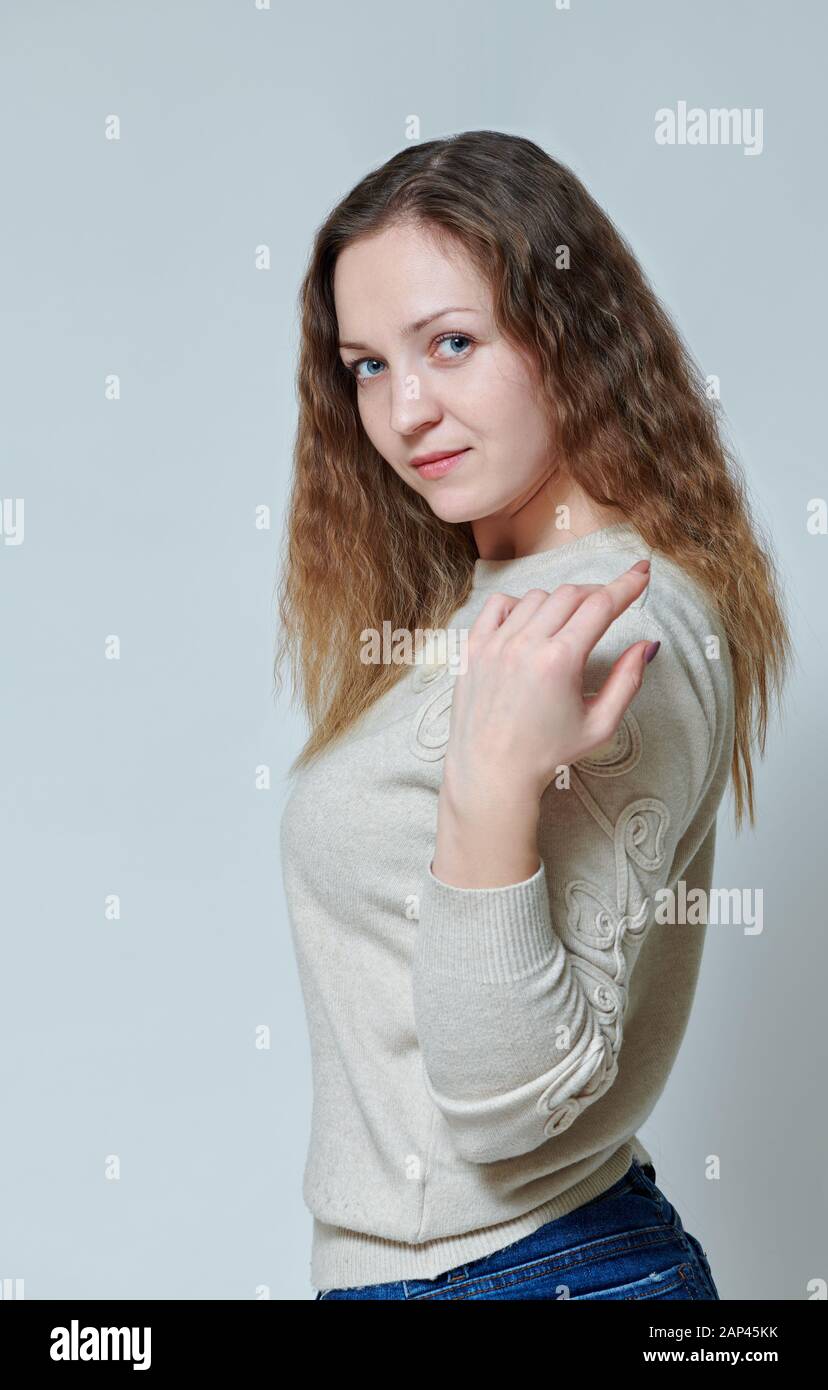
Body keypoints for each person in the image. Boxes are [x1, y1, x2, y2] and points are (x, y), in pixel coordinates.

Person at [274, 130, 790, 1301]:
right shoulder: (488, 602)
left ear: (571, 337)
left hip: (525, 1273)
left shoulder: (612, 619)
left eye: (452, 343)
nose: (407, 411)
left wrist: (491, 785)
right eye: (366, 365)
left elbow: (514, 1101)